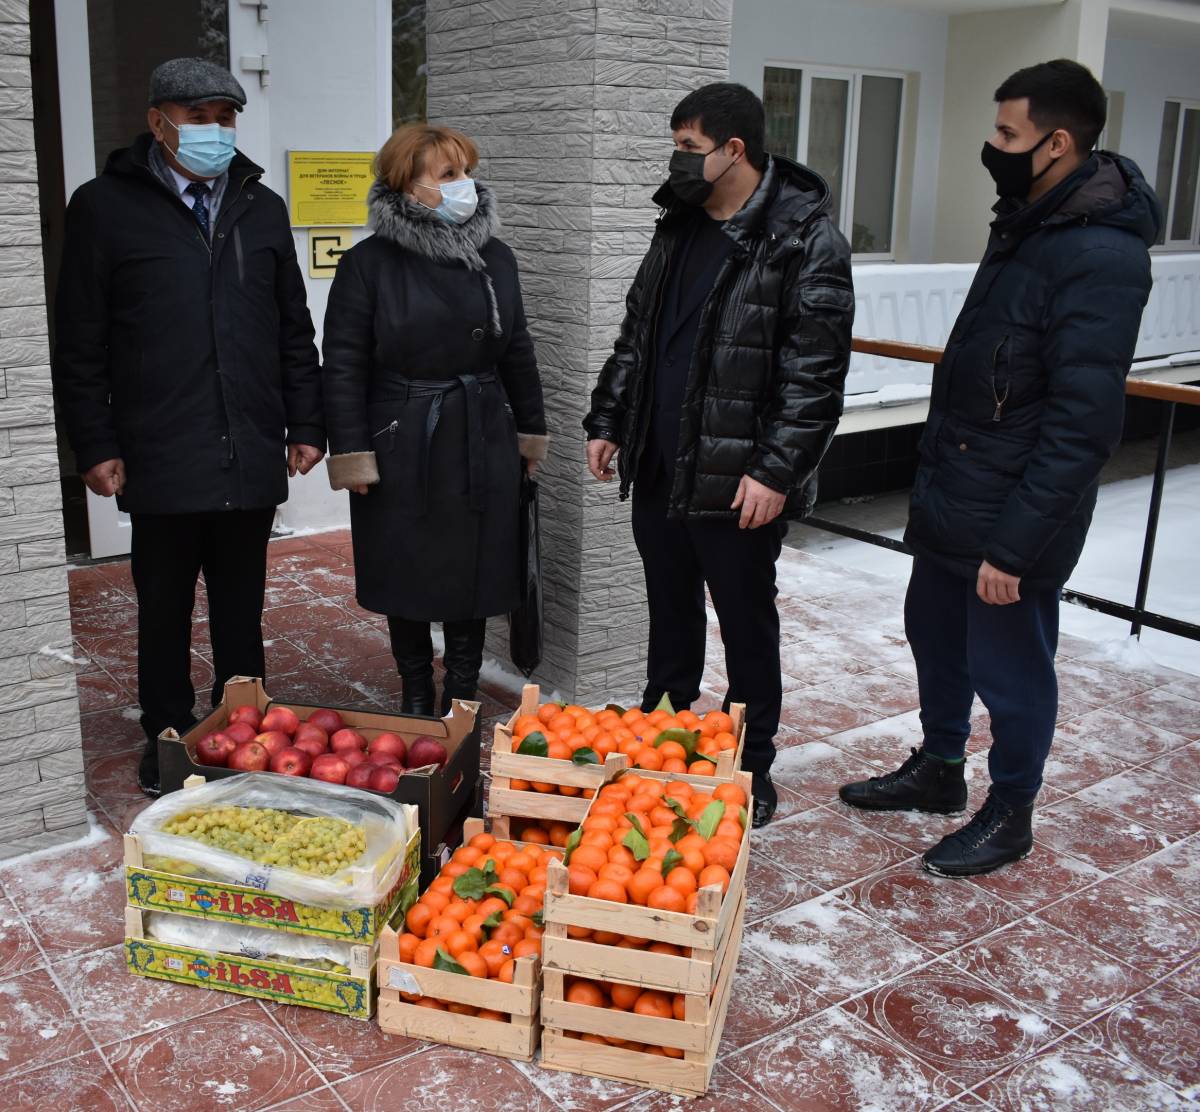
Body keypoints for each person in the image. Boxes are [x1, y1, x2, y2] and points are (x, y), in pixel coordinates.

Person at [840, 60, 1160, 876]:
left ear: (1059, 142)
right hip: (961, 485)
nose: (994, 148)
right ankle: (941, 769)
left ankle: (1010, 809)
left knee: (1011, 672)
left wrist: (1017, 546)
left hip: (1014, 514)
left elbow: (1084, 421)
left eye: (1008, 135)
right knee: (934, 638)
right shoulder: (1028, 220)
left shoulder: (1100, 253)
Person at [583, 83, 854, 827]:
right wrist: (608, 420)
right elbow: (637, 336)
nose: (678, 160)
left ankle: (751, 760)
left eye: (690, 148)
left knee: (744, 620)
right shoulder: (677, 226)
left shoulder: (804, 239)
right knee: (670, 612)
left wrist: (775, 469)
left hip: (739, 480)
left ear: (735, 150)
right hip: (662, 464)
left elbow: (815, 376)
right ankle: (664, 737)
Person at [53, 58, 324, 797]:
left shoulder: (258, 206)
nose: (215, 131)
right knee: (163, 607)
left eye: (225, 117)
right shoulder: (104, 207)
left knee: (242, 607)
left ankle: (243, 725)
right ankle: (168, 736)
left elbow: (292, 328)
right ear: (158, 122)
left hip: (247, 443)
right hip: (159, 445)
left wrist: (308, 420)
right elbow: (80, 338)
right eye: (199, 116)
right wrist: (95, 442)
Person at [321, 125, 547, 716]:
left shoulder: (495, 257)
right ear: (408, 187)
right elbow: (342, 361)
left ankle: (462, 692)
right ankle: (416, 690)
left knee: (476, 565)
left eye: (466, 170)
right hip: (402, 439)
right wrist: (351, 452)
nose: (464, 185)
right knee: (407, 566)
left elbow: (517, 347)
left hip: (483, 433)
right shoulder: (369, 263)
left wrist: (530, 432)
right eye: (448, 175)